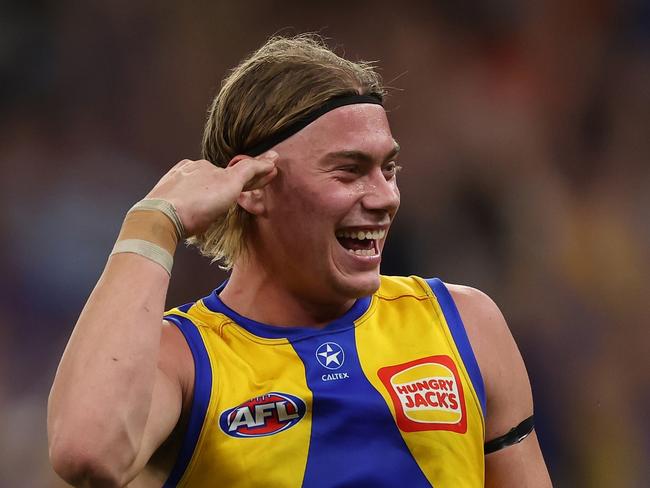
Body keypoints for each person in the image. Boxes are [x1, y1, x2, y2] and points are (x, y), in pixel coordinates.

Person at [48, 34, 552, 487]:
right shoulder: (184, 361)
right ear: (253, 188)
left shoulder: (464, 324)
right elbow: (87, 453)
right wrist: (154, 225)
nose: (384, 197)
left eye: (388, 168)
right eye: (349, 170)